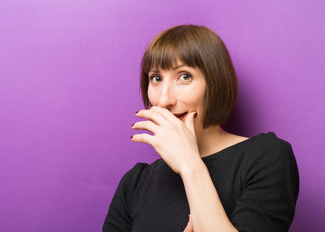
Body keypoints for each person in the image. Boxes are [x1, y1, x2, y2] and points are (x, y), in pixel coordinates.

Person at [103, 25, 299, 232]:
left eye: (184, 76)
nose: (164, 100)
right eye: (156, 78)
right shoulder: (136, 183)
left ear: (216, 82)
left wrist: (190, 164)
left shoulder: (266, 157)